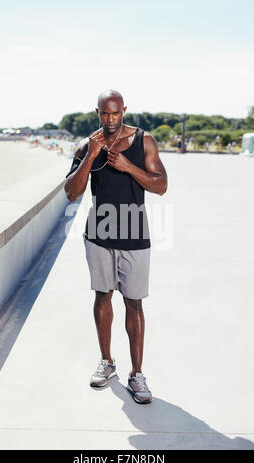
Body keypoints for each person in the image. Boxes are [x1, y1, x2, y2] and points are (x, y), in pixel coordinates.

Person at [64, 90, 167, 405]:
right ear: (97, 112)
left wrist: (127, 167)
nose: (110, 120)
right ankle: (107, 362)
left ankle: (137, 375)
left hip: (135, 236)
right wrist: (92, 157)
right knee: (102, 297)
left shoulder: (143, 141)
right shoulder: (87, 145)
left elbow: (161, 185)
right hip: (99, 235)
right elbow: (71, 191)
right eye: (104, 114)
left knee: (134, 304)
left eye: (115, 113)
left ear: (124, 110)